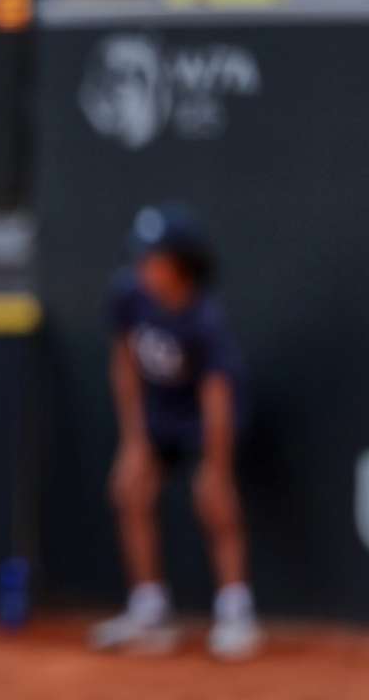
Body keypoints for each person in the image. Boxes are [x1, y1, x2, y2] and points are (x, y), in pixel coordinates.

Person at [90, 204, 262, 660]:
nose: (143, 267)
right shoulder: (129, 297)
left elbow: (218, 395)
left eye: (155, 259)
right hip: (158, 414)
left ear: (181, 265)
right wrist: (134, 440)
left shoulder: (205, 319)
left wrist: (215, 466)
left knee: (215, 500)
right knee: (130, 488)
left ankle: (235, 610)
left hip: (208, 418)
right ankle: (149, 609)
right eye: (141, 257)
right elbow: (124, 363)